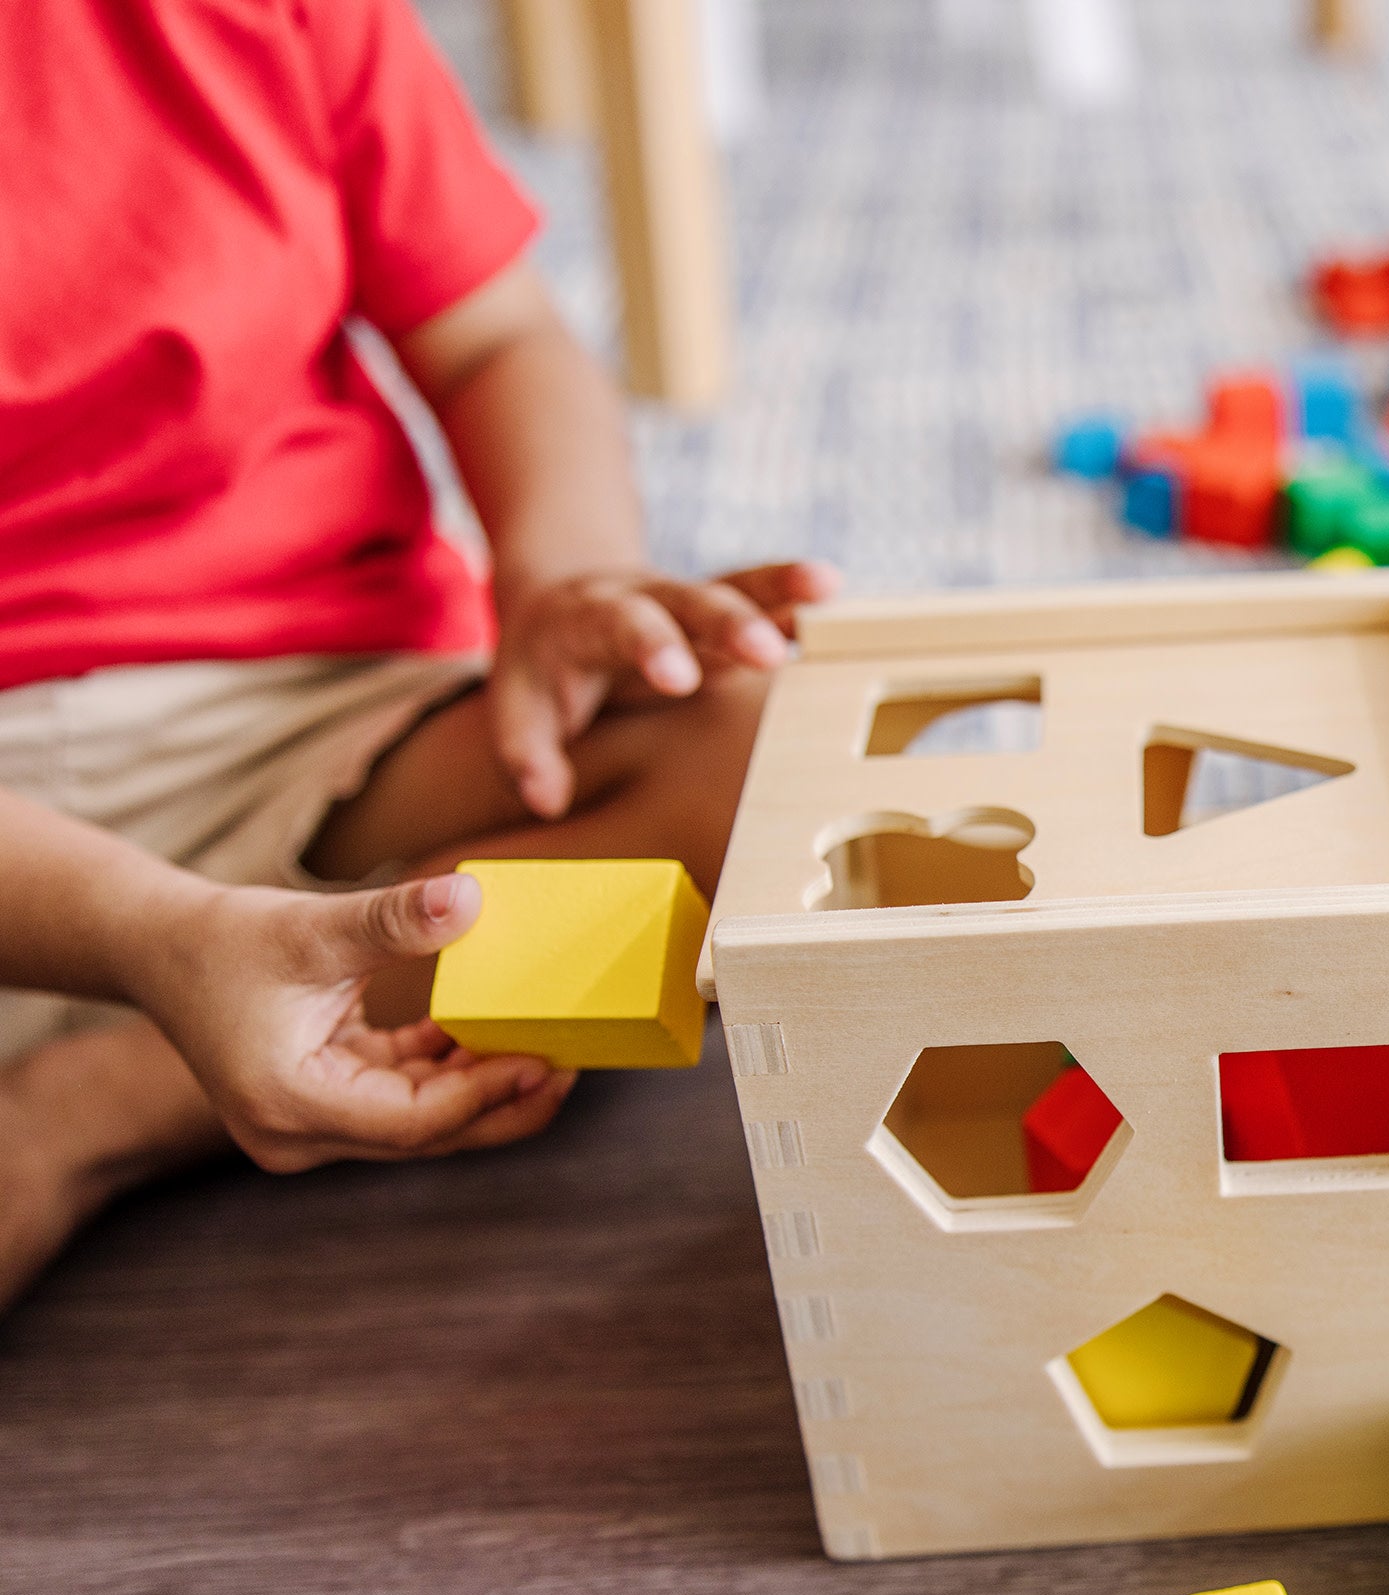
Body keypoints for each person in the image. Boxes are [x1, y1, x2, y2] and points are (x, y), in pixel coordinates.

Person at [0, 0, 834, 1312]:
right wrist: (143, 928)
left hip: (310, 703)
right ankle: (182, 1005)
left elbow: (498, 335)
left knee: (769, 757)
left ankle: (98, 1106)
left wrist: (568, 580)